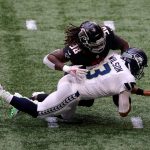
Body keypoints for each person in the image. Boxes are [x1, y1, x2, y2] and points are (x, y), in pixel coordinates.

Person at [0, 48, 148, 121]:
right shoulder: (127, 80)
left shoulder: (114, 56)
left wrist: (141, 92)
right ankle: (5, 93)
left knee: (68, 118)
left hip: (74, 77)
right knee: (38, 112)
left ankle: (36, 96)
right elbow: (123, 112)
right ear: (137, 63)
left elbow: (114, 80)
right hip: (72, 92)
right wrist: (126, 95)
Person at [35, 20, 129, 107]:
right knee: (85, 101)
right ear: (84, 42)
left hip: (102, 68)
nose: (100, 46)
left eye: (101, 42)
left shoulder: (107, 34)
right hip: (80, 73)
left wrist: (125, 64)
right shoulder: (75, 49)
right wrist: (67, 68)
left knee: (120, 82)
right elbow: (48, 59)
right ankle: (39, 98)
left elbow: (124, 45)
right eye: (95, 44)